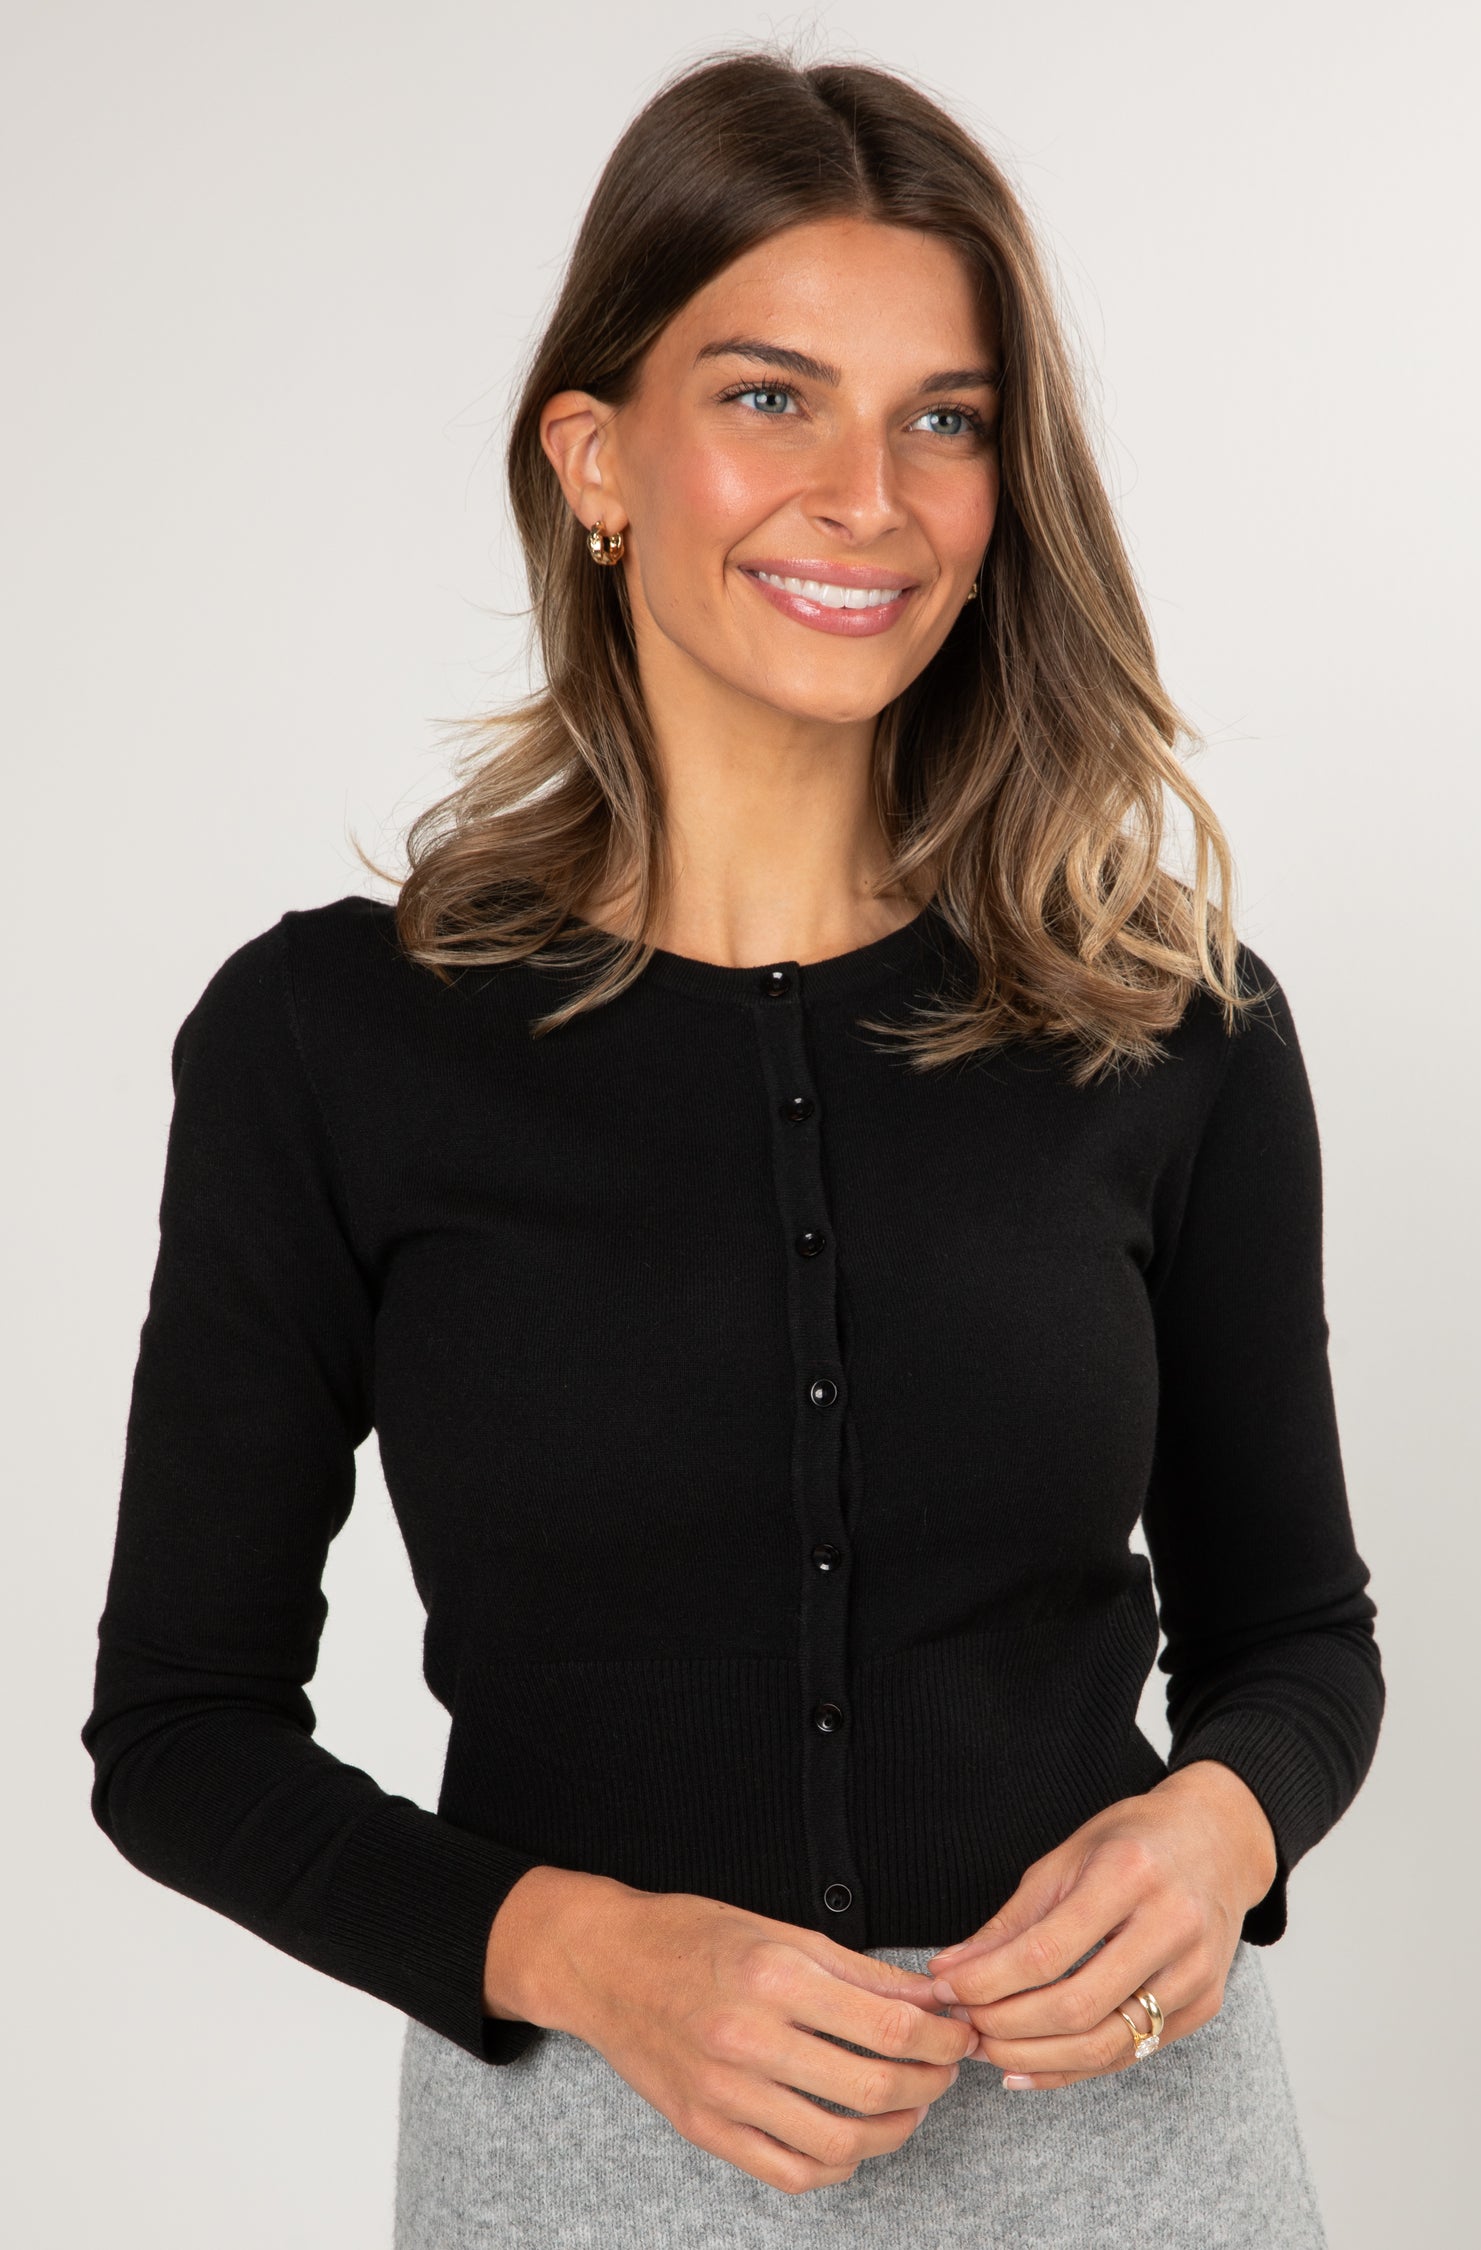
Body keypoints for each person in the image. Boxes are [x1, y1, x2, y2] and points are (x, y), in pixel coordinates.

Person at [82, 48, 1384, 2249]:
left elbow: (1302, 1639)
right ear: (596, 456)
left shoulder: (1178, 1031)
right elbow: (183, 1732)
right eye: (771, 397)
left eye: (945, 418)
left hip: (1137, 2170)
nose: (868, 492)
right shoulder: (332, 1040)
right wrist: (586, 1955)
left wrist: (1222, 1832)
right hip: (588, 2168)